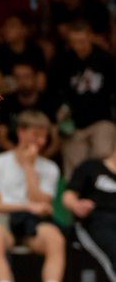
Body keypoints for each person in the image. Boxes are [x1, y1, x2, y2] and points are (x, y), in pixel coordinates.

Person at [0, 111, 65, 282]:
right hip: (3, 217)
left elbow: (42, 203)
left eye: (44, 136)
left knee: (56, 239)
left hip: (33, 222)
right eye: (36, 135)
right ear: (20, 132)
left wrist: (29, 168)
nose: (41, 141)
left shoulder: (50, 168)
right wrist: (27, 206)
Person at [48, 19, 116, 177]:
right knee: (75, 169)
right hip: (73, 123)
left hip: (101, 119)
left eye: (82, 41)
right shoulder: (61, 61)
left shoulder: (105, 59)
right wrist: (58, 110)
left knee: (103, 157)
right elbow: (52, 91)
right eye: (74, 42)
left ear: (91, 37)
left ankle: (104, 191)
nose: (78, 46)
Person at [63, 144, 116, 282]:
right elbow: (68, 196)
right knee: (114, 252)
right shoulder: (90, 167)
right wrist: (76, 205)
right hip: (96, 223)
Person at [0, 61, 59, 154]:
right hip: (13, 155)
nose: (22, 81)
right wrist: (21, 156)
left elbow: (56, 140)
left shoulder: (48, 102)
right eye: (18, 77)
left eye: (27, 76)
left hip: (43, 155)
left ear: (36, 77)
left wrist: (40, 159)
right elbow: (1, 139)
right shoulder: (6, 103)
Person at [0, 12, 46, 95]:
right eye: (6, 26)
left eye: (12, 26)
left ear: (24, 29)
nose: (6, 29)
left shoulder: (36, 51)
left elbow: (41, 84)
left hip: (31, 97)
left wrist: (10, 83)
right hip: (6, 99)